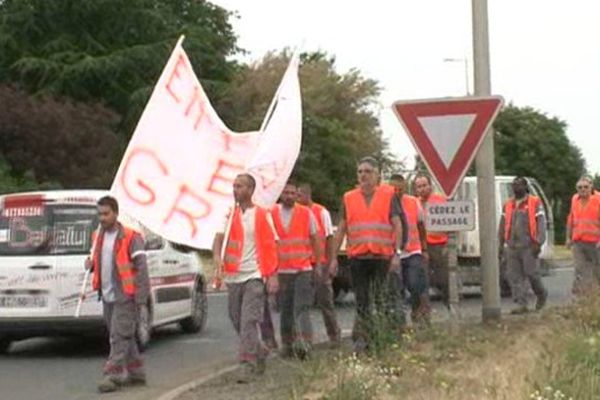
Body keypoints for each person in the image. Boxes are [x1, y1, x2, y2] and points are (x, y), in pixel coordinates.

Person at [330, 157, 405, 353]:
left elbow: (397, 225)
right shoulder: (349, 198)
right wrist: (333, 258)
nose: (363, 175)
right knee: (362, 301)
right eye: (360, 171)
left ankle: (382, 338)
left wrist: (397, 254)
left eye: (368, 171)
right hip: (358, 258)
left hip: (382, 257)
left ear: (377, 174)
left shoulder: (389, 195)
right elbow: (341, 229)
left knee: (381, 300)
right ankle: (364, 340)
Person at [212, 174, 279, 383]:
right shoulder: (229, 215)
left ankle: (246, 363)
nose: (235, 189)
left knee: (249, 321)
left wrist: (273, 275)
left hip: (254, 276)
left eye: (239, 186)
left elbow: (271, 245)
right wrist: (216, 257)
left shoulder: (261, 214)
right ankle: (259, 351)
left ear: (251, 189)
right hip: (233, 277)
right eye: (234, 186)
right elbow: (218, 239)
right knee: (236, 319)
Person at [86, 196, 150, 393]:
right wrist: (90, 264)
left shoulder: (131, 237)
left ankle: (112, 375)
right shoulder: (98, 237)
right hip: (106, 294)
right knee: (124, 334)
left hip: (127, 295)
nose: (102, 218)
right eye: (100, 214)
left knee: (118, 335)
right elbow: (98, 262)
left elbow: (142, 269)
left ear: (116, 213)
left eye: (106, 214)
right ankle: (136, 372)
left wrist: (140, 298)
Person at [271, 181, 321, 359]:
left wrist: (318, 264)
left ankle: (305, 345)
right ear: (281, 194)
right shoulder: (272, 213)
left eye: (293, 193)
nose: (289, 196)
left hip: (302, 269)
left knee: (302, 308)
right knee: (285, 309)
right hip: (282, 271)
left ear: (297, 195)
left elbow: (315, 239)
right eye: (286, 193)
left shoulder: (306, 213)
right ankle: (287, 345)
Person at [297, 183, 341, 347]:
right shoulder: (296, 213)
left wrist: (331, 262)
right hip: (302, 264)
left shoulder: (321, 212)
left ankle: (334, 335)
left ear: (308, 195)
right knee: (302, 304)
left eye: (299, 195)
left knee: (325, 302)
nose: (297, 198)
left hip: (319, 263)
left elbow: (329, 238)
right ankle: (305, 340)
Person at [498, 177, 548, 314]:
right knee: (514, 276)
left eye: (519, 185)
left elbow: (541, 224)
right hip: (512, 247)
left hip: (529, 245)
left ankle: (541, 294)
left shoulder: (534, 202)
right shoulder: (508, 204)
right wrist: (500, 245)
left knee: (532, 274)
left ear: (525, 187)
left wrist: (538, 242)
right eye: (514, 185)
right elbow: (502, 226)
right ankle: (521, 304)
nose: (516, 188)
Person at [389, 174, 430, 324]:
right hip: (394, 254)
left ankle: (417, 313)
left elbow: (420, 226)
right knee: (396, 289)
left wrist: (424, 249)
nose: (397, 192)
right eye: (394, 189)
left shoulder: (413, 202)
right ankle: (399, 322)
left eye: (400, 189)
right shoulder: (385, 202)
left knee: (414, 284)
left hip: (413, 251)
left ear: (405, 188)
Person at [414, 174, 450, 308]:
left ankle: (451, 308)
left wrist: (450, 245)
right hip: (422, 246)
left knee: (445, 280)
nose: (422, 189)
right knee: (422, 280)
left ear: (430, 186)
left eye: (424, 185)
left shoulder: (440, 201)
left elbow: (452, 223)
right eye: (419, 186)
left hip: (440, 245)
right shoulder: (415, 203)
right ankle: (424, 314)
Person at [566, 176, 600, 295]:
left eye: (586, 187)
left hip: (595, 242)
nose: (583, 189)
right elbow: (571, 219)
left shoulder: (598, 199)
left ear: (591, 187)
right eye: (580, 187)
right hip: (578, 241)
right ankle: (580, 296)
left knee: (597, 270)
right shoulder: (575, 199)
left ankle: (595, 296)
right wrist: (568, 238)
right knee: (579, 269)